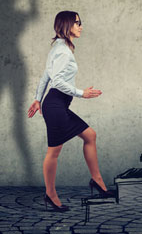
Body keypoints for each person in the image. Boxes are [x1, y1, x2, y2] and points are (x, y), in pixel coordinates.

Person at [27, 11, 112, 212]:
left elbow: (44, 77)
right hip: (56, 106)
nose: (80, 26)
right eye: (77, 23)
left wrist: (38, 99)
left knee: (90, 135)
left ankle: (97, 181)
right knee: (54, 152)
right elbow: (55, 82)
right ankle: (50, 194)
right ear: (66, 25)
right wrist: (82, 93)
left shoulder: (59, 46)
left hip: (57, 105)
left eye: (80, 22)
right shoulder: (63, 51)